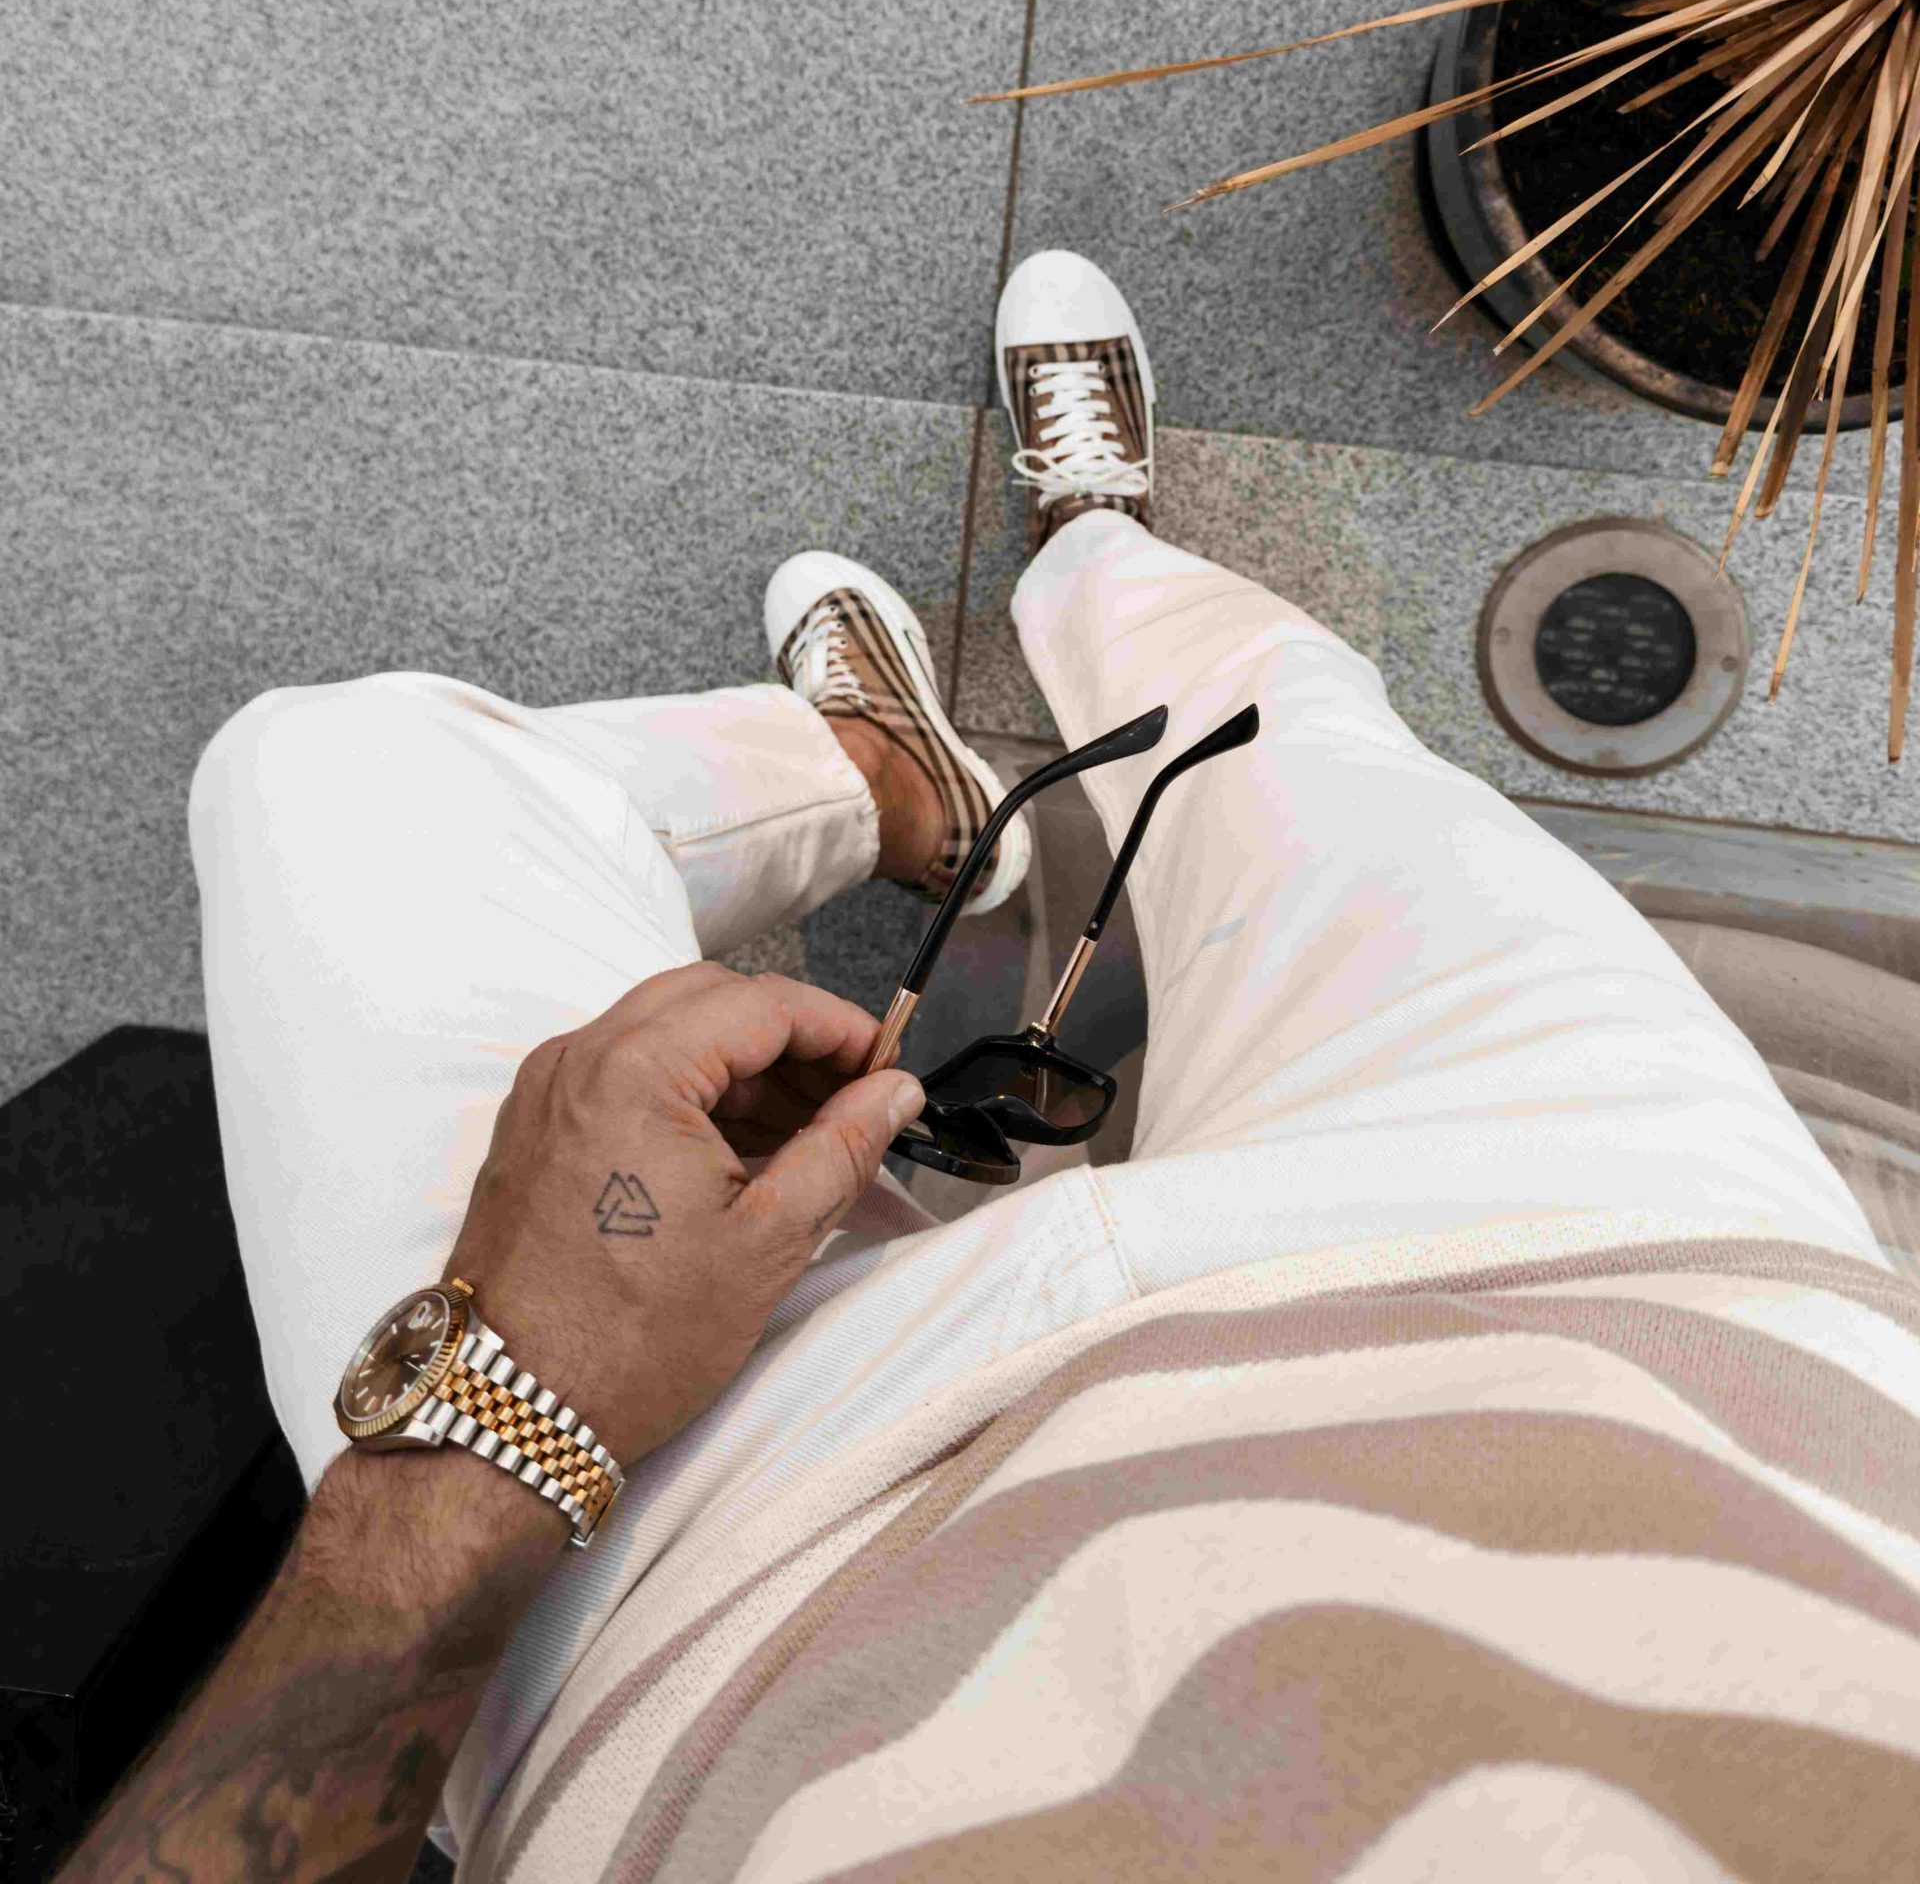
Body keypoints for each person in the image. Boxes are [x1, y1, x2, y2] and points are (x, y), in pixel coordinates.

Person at [59, 251, 1920, 1884]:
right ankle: (1100, 554)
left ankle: (882, 784)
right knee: (1289, 744)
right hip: (1624, 1304)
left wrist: (493, 1441)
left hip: (723, 1598)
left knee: (334, 779)